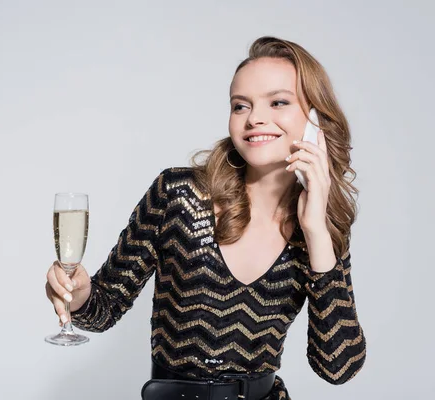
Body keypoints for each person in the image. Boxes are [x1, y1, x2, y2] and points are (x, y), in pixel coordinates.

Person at [45, 36, 366, 400]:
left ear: (315, 119)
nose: (255, 118)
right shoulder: (177, 193)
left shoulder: (322, 229)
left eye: (278, 102)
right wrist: (80, 295)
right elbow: (101, 312)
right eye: (240, 106)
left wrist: (317, 233)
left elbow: (338, 367)